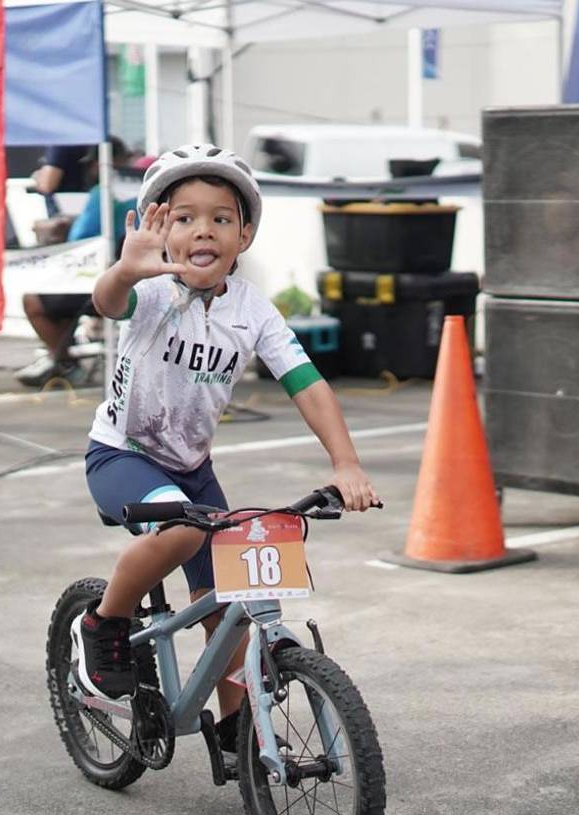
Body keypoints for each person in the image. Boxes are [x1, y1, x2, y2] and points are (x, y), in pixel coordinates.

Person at [72, 144, 380, 758]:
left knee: (231, 605)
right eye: (183, 217)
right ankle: (103, 623)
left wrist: (345, 463)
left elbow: (307, 384)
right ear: (162, 230)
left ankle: (241, 736)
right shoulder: (153, 291)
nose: (201, 230)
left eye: (219, 218)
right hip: (123, 457)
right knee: (182, 533)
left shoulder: (253, 310)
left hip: (193, 471)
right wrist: (127, 270)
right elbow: (107, 303)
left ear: (243, 235)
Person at [16, 139, 137, 388]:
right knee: (57, 305)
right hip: (126, 282)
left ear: (97, 164)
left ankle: (63, 361)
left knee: (33, 300)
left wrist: (63, 227)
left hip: (96, 283)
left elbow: (79, 243)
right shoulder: (138, 195)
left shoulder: (100, 194)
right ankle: (61, 359)